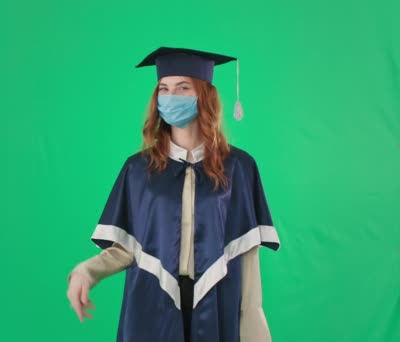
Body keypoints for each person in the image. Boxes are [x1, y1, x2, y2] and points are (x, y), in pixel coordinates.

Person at [66, 46, 281, 342]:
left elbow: (245, 255)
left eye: (182, 88)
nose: (170, 97)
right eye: (163, 89)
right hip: (152, 301)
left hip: (216, 301)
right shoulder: (138, 169)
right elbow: (129, 247)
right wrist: (86, 272)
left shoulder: (239, 168)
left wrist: (255, 329)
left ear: (203, 96)